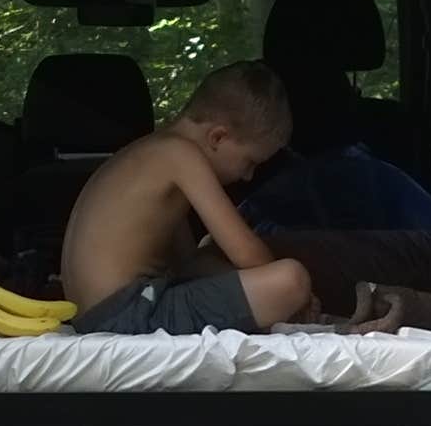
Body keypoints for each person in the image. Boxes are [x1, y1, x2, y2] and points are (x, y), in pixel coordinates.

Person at [59, 63, 317, 333]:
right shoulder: (181, 155)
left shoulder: (150, 152)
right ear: (218, 137)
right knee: (291, 279)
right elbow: (251, 257)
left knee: (209, 254)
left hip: (103, 315)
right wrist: (294, 298)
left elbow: (186, 265)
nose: (248, 176)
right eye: (250, 161)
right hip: (131, 315)